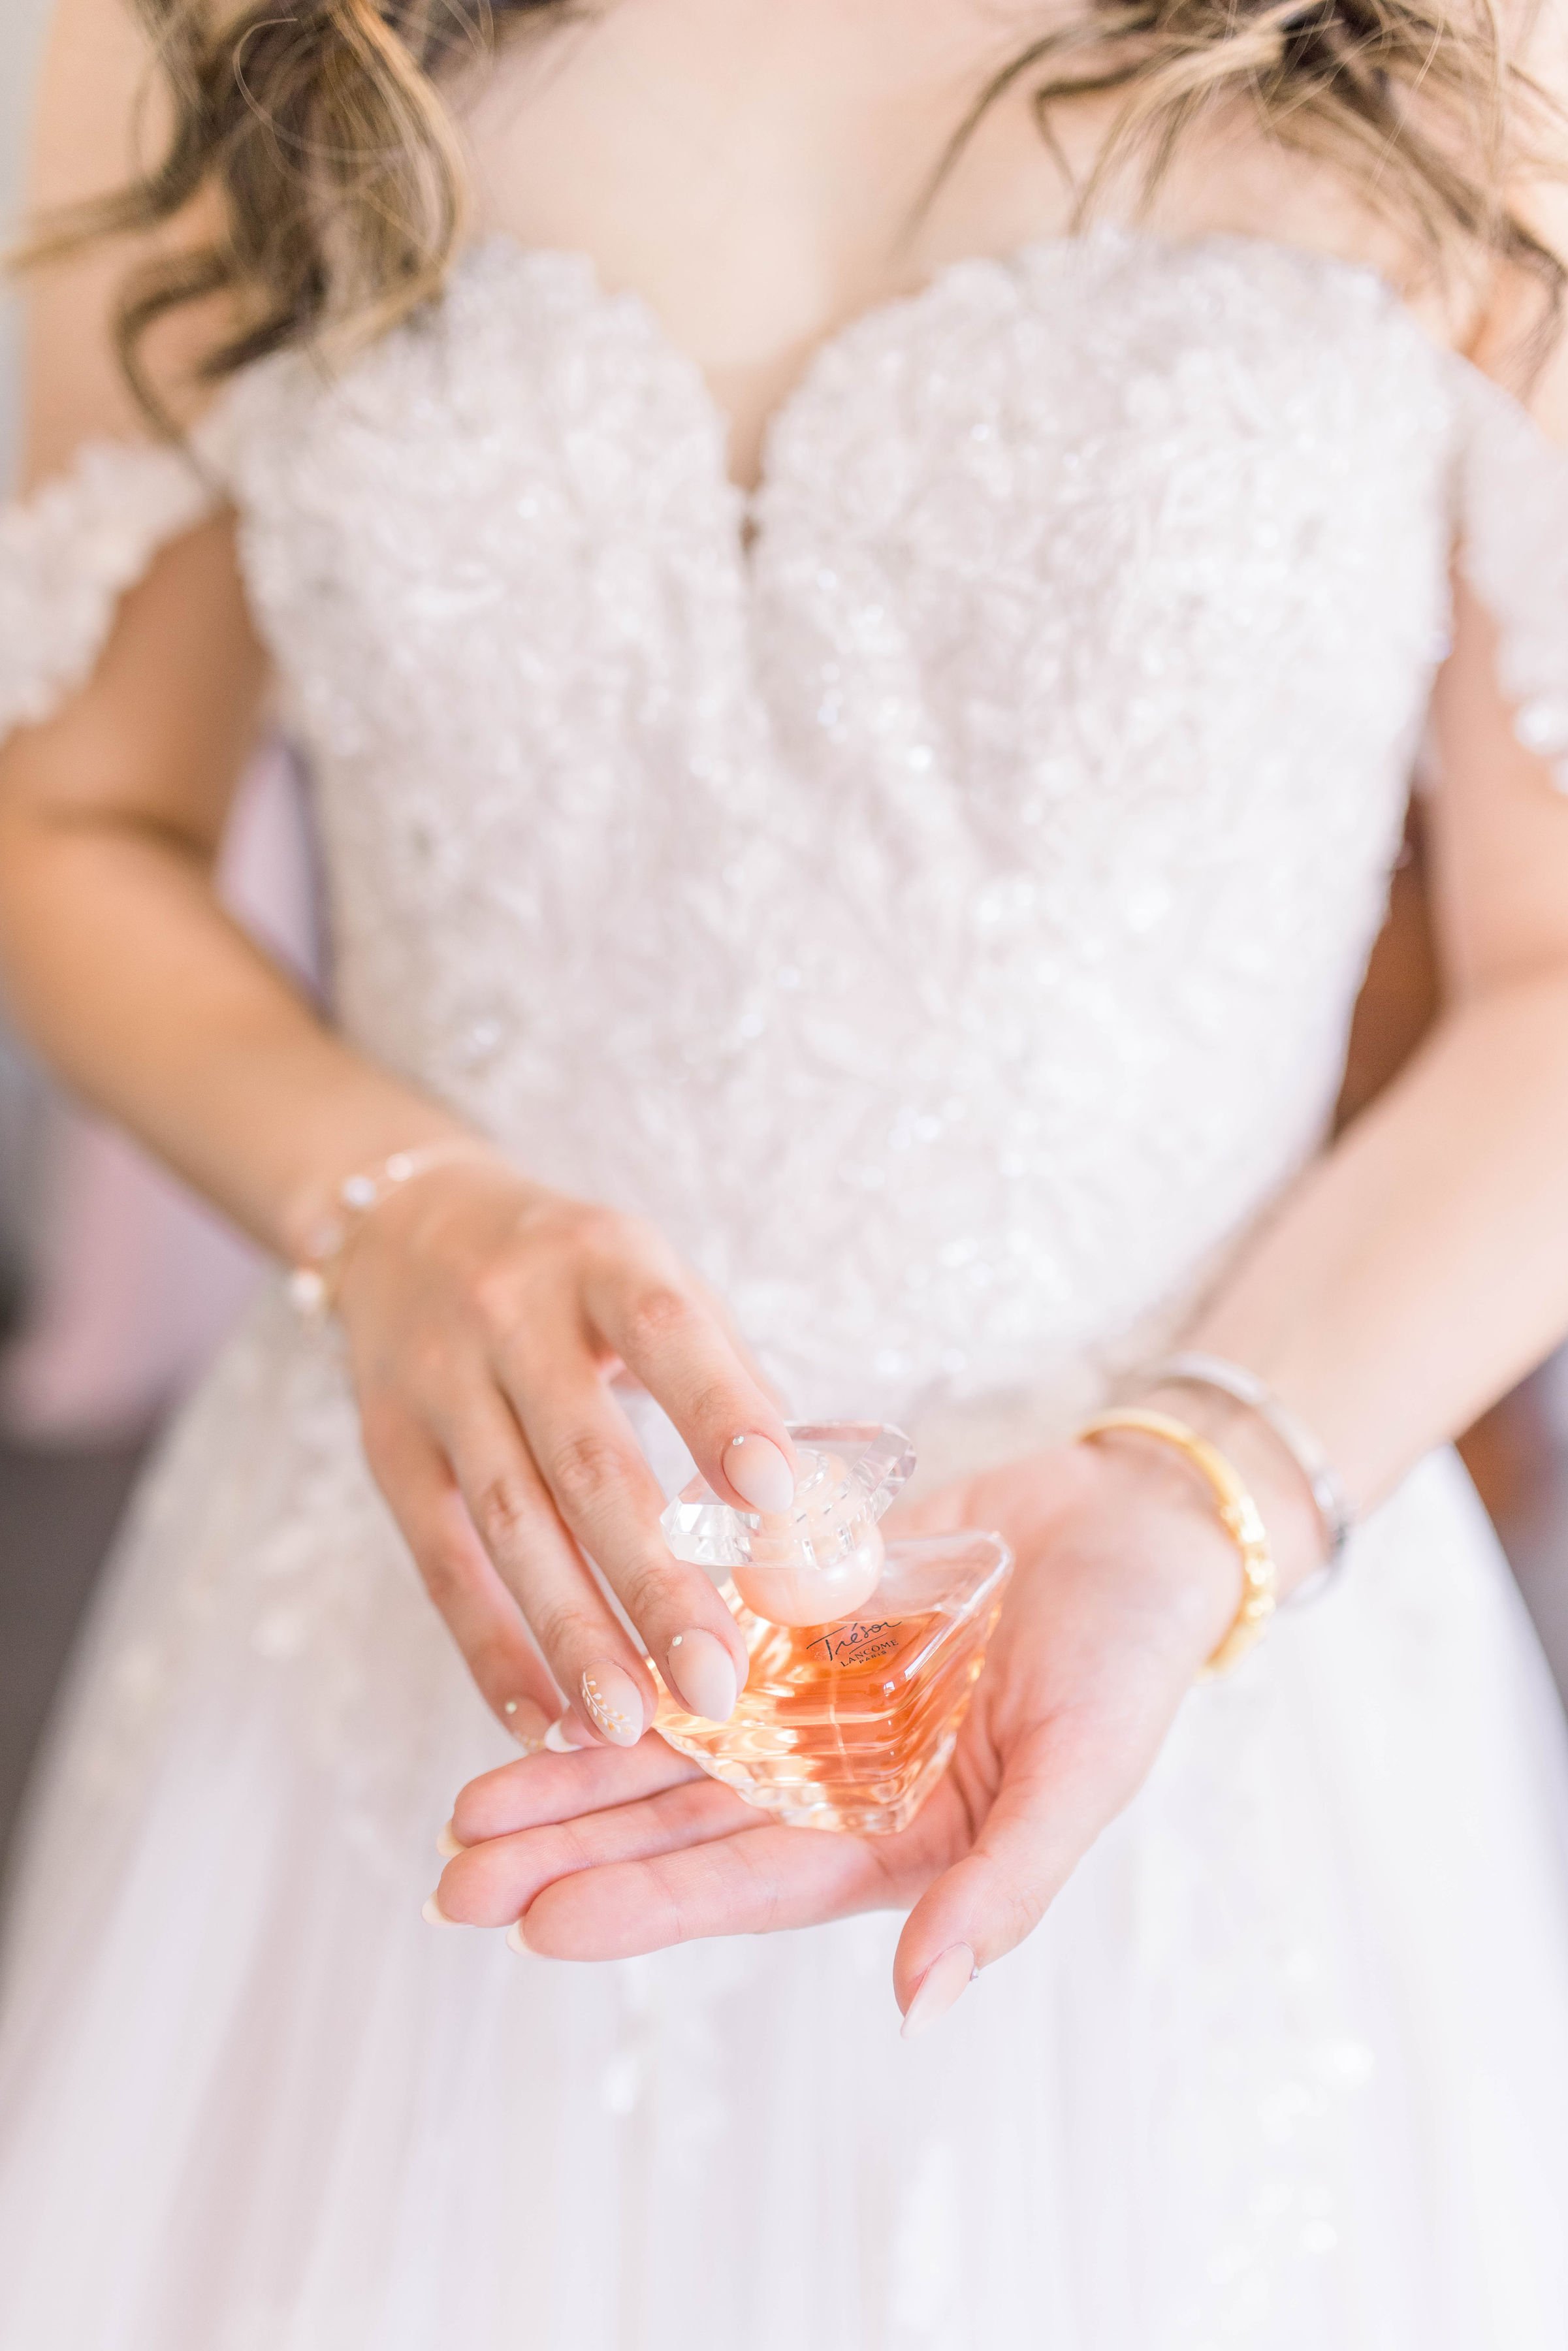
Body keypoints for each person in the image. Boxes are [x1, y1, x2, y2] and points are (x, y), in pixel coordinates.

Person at [2, 1, 1568, 2341]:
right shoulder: (226, 30)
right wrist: (388, 1199)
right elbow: (73, 818)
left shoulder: (1476, 43)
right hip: (450, 1614)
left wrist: (1201, 1490)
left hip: (1199, 1620)